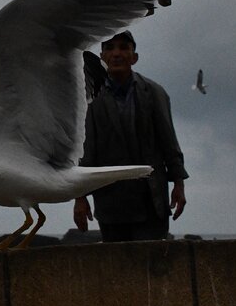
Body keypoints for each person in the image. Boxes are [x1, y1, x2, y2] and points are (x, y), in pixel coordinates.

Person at [74, 31, 188, 241]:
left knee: (154, 268)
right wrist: (79, 198)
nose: (117, 53)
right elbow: (85, 150)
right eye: (110, 48)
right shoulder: (88, 97)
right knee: (118, 270)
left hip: (151, 201)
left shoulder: (154, 92)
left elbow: (169, 143)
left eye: (124, 48)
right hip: (111, 203)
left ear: (134, 57)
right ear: (102, 56)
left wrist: (179, 185)